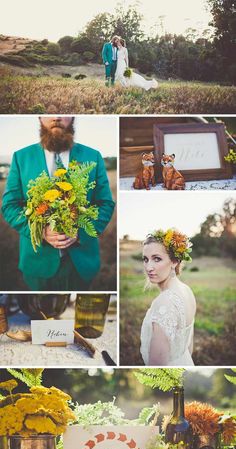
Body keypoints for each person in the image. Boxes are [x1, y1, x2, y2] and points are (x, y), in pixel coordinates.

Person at [2, 116, 115, 291]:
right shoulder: (20, 157)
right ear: (40, 118)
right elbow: (9, 205)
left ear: (73, 118)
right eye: (49, 114)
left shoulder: (93, 156)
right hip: (38, 264)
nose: (56, 117)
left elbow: (105, 203)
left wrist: (79, 232)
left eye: (65, 113)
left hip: (81, 265)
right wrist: (40, 231)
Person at [140, 229, 196, 365]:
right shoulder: (187, 290)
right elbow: (189, 347)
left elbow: (157, 367)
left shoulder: (165, 303)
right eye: (146, 259)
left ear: (174, 261)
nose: (149, 267)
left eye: (157, 259)